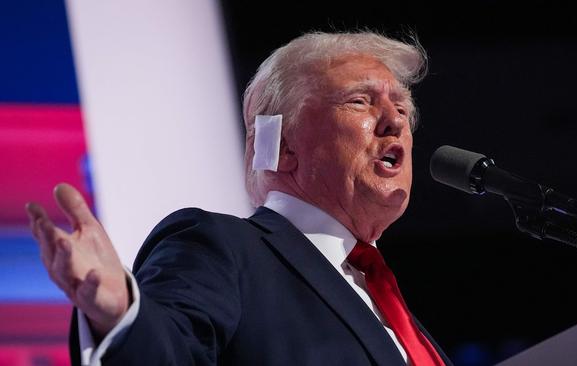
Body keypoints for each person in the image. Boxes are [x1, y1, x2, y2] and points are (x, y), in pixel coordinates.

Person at [26, 31, 453, 365]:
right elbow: (172, 350)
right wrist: (119, 314)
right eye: (360, 101)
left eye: (401, 107)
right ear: (283, 147)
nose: (394, 121)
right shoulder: (220, 246)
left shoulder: (389, 302)